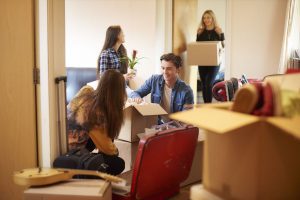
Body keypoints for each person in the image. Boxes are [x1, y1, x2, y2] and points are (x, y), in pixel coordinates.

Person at [67, 69, 126, 175]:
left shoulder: (86, 91)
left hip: (65, 148)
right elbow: (108, 150)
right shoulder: (97, 112)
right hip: (73, 157)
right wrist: (115, 151)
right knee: (118, 163)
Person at [129, 53, 194, 124]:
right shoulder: (154, 80)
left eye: (169, 69)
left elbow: (186, 117)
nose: (165, 72)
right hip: (156, 124)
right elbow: (135, 93)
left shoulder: (187, 91)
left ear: (178, 70)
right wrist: (137, 98)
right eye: (163, 68)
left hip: (176, 128)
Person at [197, 10, 225, 103]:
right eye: (204, 18)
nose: (206, 20)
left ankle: (208, 105)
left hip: (214, 62)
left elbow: (223, 46)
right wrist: (197, 35)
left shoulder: (218, 31)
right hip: (202, 62)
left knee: (209, 83)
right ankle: (206, 105)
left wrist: (221, 34)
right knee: (204, 84)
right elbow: (197, 48)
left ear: (212, 18)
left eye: (208, 17)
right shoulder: (201, 32)